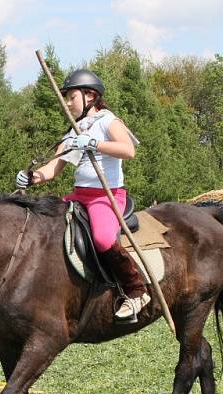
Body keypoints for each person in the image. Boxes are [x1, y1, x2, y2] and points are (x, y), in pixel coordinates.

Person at [15, 69, 148, 322]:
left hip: (106, 197)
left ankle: (136, 291)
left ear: (90, 96)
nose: (67, 103)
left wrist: (94, 143)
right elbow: (54, 168)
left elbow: (128, 150)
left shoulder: (109, 122)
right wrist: (32, 178)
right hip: (79, 196)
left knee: (102, 238)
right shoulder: (74, 131)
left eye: (71, 97)